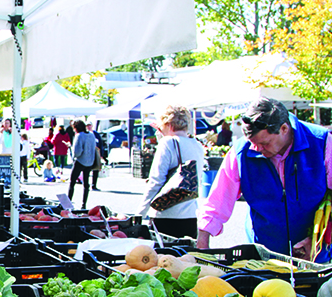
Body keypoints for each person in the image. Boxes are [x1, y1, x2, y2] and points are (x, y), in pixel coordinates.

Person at [198, 97, 332, 262]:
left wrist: (320, 241)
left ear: (284, 128)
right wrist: (202, 243)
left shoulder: (322, 142)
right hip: (264, 258)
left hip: (315, 259)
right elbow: (217, 202)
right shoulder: (241, 151)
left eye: (265, 143)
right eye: (253, 144)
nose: (258, 150)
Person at [136, 106, 205, 239]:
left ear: (166, 124)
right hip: (190, 214)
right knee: (186, 258)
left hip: (166, 214)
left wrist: (140, 214)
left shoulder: (167, 143)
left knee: (165, 258)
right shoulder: (197, 145)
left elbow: (156, 181)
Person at [67, 120, 96, 209]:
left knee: (72, 182)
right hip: (90, 161)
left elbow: (77, 152)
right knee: (86, 183)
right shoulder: (91, 135)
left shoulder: (79, 136)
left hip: (80, 161)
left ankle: (68, 203)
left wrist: (71, 150)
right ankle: (84, 204)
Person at [86, 122, 105, 190]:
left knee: (96, 169)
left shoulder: (96, 134)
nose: (89, 127)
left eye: (89, 125)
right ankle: (86, 184)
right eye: (87, 126)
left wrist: (101, 155)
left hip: (96, 152)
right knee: (87, 170)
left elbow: (101, 144)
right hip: (88, 153)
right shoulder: (85, 134)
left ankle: (94, 184)